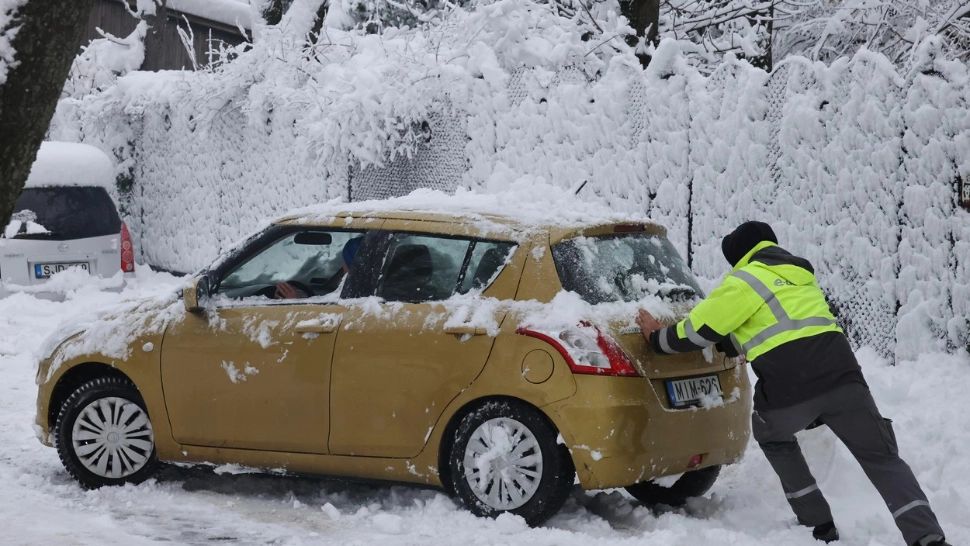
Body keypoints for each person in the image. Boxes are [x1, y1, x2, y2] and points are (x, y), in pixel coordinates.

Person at [636, 221, 949, 546]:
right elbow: (778, 324)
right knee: (882, 458)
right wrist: (735, 344)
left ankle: (818, 524)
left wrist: (658, 338)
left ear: (739, 256)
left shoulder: (744, 280)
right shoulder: (800, 275)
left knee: (771, 435)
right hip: (846, 380)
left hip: (790, 387)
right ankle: (928, 537)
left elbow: (698, 331)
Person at [274, 235, 363, 299]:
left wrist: (295, 302)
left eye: (345, 262)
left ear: (354, 266)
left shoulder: (355, 295)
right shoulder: (361, 289)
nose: (343, 268)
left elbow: (329, 316)